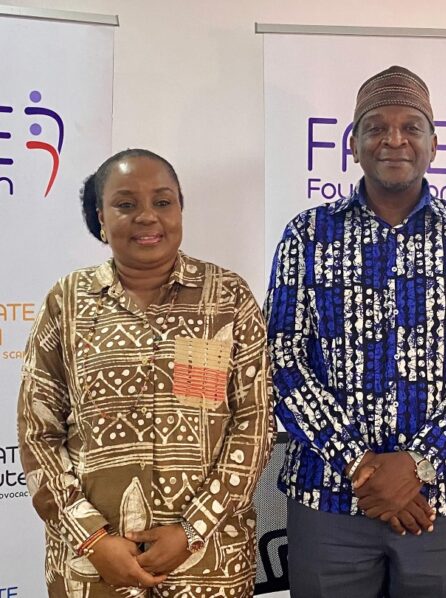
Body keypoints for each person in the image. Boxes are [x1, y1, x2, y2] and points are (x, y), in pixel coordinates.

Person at [265, 65, 446, 598]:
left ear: (434, 144)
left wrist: (419, 464)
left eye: (410, 127)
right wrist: (360, 464)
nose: (394, 140)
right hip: (329, 496)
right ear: (353, 144)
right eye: (376, 127)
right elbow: (282, 360)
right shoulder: (307, 234)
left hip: (443, 498)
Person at [17, 149, 275, 597]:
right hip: (93, 567)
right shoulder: (67, 301)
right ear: (101, 217)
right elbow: (38, 432)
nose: (147, 217)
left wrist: (193, 529)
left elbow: (255, 423)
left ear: (180, 209)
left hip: (209, 563)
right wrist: (92, 538)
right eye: (126, 204)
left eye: (162, 202)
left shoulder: (227, 298)